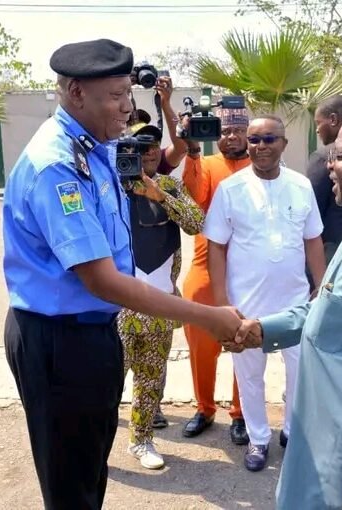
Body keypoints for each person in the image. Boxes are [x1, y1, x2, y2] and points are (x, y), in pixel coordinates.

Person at [2, 38, 242, 510]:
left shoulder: (96, 149)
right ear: (75, 93)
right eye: (116, 97)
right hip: (60, 340)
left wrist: (172, 116)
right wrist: (209, 317)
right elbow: (104, 281)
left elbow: (167, 161)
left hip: (91, 332)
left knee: (90, 466)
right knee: (71, 483)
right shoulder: (59, 165)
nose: (126, 108)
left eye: (128, 95)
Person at [232, 115, 342, 509]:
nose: (329, 165)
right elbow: (325, 310)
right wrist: (262, 330)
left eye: (340, 155)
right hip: (319, 437)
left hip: (340, 450)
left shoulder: (301, 188)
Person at [204, 114, 325, 472]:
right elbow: (216, 248)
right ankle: (258, 440)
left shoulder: (301, 185)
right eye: (254, 140)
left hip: (295, 303)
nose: (260, 147)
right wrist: (221, 302)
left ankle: (291, 430)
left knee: (301, 372)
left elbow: (313, 239)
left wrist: (320, 288)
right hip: (246, 306)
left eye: (269, 139)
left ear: (283, 144)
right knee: (250, 377)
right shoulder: (231, 189)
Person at [119, 119, 204, 469]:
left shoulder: (170, 184)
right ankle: (90, 439)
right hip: (117, 304)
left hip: (160, 302)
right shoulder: (113, 188)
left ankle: (141, 440)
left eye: (154, 145)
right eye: (140, 146)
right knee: (106, 377)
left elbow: (196, 222)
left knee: (151, 376)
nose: (149, 151)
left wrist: (160, 196)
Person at [180, 106, 250, 444]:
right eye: (224, 131)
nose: (231, 136)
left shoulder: (263, 168)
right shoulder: (205, 165)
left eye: (238, 130)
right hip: (205, 272)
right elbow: (193, 198)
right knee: (201, 348)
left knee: (245, 345)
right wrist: (192, 150)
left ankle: (241, 413)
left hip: (248, 275)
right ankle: (205, 408)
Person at [308, 95, 342, 266]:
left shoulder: (323, 156)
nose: (317, 130)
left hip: (333, 250)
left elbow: (311, 209)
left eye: (318, 123)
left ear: (333, 119)